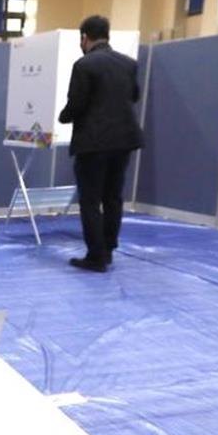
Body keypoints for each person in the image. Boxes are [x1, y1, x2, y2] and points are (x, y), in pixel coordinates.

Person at [58, 15, 144, 273]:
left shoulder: (84, 65)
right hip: (124, 141)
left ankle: (95, 256)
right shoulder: (128, 64)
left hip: (94, 143)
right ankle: (107, 250)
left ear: (84, 37)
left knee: (90, 200)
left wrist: (63, 117)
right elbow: (134, 95)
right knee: (114, 197)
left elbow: (77, 103)